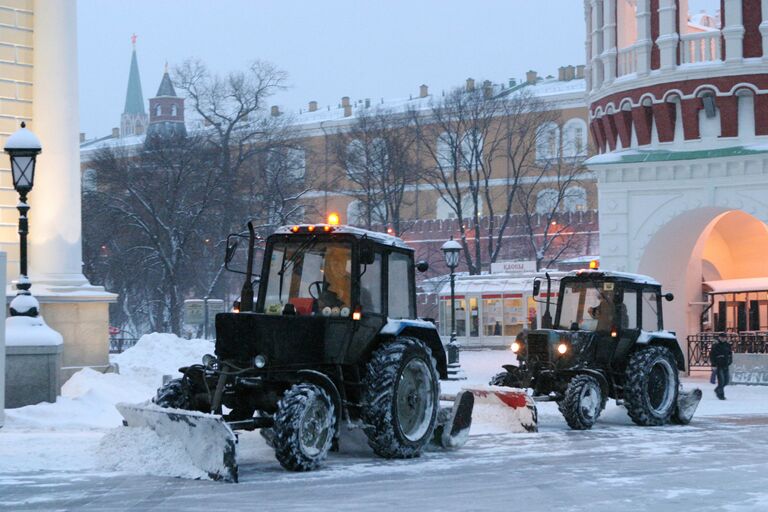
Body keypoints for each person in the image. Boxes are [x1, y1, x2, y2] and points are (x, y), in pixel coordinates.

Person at [710, 332, 733, 400]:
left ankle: (717, 390)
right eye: (721, 337)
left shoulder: (728, 345)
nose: (723, 339)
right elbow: (712, 355)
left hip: (726, 365)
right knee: (721, 381)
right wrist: (713, 364)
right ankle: (721, 395)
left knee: (726, 381)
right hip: (718, 365)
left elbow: (730, 354)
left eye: (724, 337)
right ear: (719, 338)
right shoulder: (715, 345)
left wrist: (730, 361)